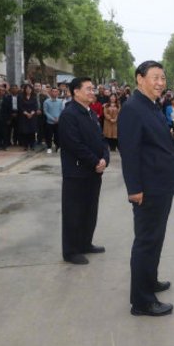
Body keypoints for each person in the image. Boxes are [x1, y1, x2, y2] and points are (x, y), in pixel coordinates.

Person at [118, 61, 174, 317]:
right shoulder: (133, 108)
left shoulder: (152, 105)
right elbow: (129, 151)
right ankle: (142, 301)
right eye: (155, 77)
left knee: (156, 238)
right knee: (146, 241)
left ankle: (150, 280)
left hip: (160, 184)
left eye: (163, 78)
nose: (160, 83)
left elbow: (151, 141)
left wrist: (171, 136)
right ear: (139, 79)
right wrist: (134, 188)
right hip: (148, 187)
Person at [58, 77, 110, 265]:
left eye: (92, 88)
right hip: (77, 172)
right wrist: (95, 161)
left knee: (90, 210)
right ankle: (71, 251)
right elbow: (73, 144)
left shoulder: (91, 113)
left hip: (94, 172)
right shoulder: (69, 115)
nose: (92, 92)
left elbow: (101, 139)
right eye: (88, 89)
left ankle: (85, 243)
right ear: (76, 92)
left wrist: (105, 159)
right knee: (74, 212)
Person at [43, 88, 65, 154]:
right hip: (49, 122)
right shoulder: (46, 102)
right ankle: (49, 147)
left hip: (58, 121)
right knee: (49, 135)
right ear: (50, 93)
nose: (54, 93)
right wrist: (53, 119)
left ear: (58, 93)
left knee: (57, 135)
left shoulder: (60, 101)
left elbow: (62, 110)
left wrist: (58, 118)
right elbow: (45, 112)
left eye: (56, 91)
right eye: (53, 91)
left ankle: (58, 146)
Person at [18, 84, 39, 151]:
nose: (28, 90)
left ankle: (32, 145)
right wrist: (26, 113)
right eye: (27, 89)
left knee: (32, 131)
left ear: (31, 90)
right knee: (25, 131)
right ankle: (25, 145)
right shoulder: (21, 97)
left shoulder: (34, 97)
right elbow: (20, 107)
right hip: (24, 116)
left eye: (29, 89)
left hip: (32, 116)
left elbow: (35, 106)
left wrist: (31, 113)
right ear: (25, 90)